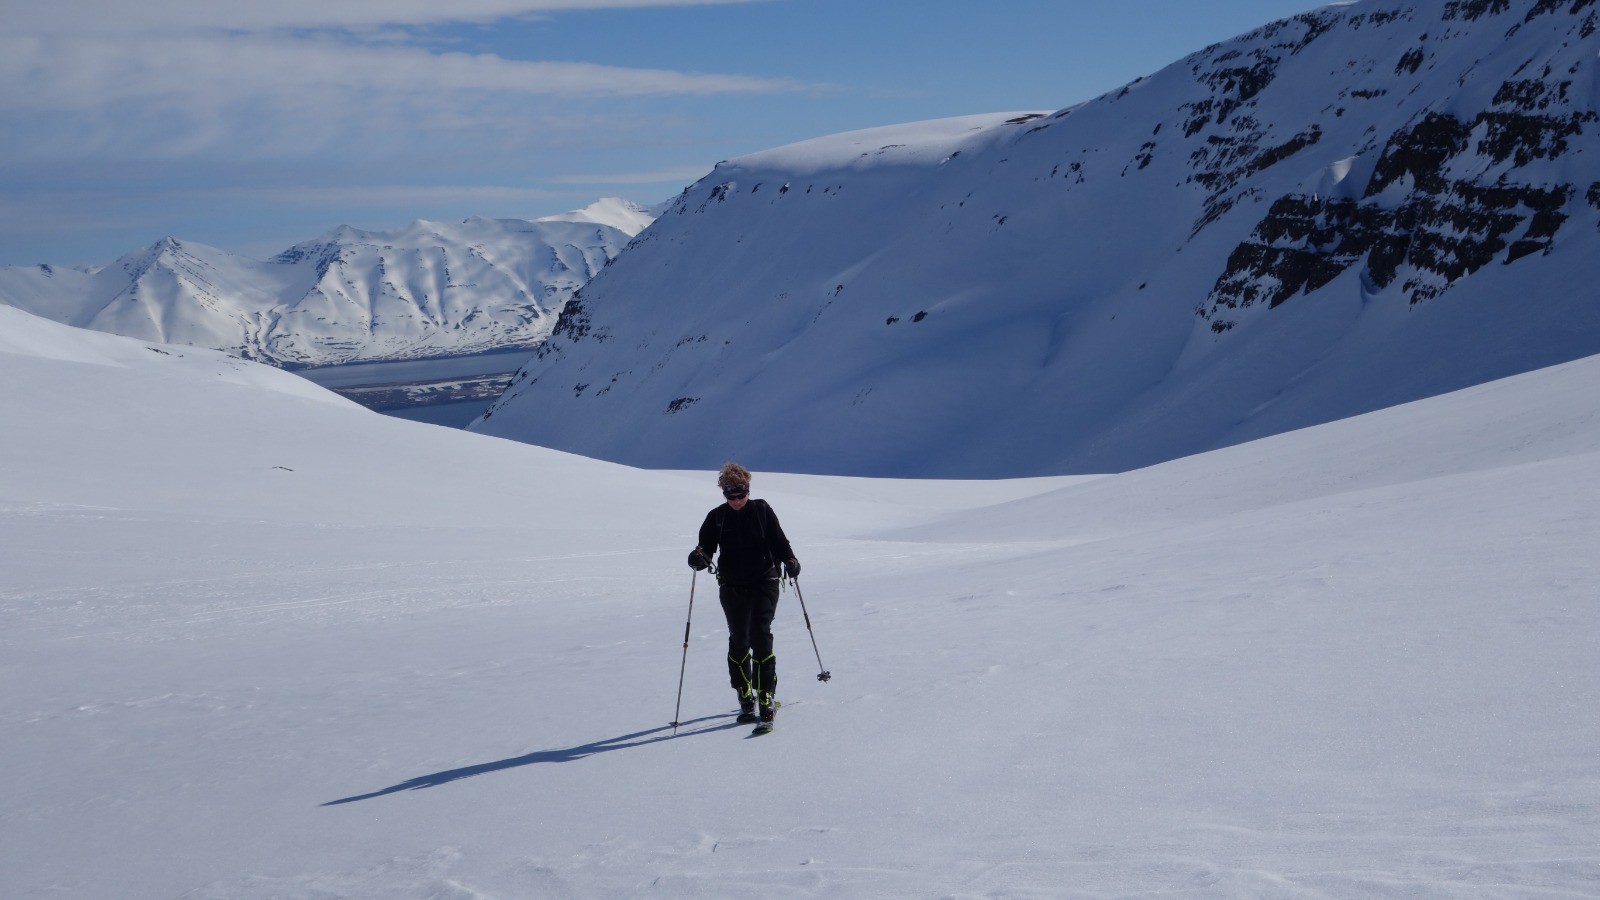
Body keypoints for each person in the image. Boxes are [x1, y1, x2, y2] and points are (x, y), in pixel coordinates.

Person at [687, 462, 800, 730]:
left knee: (760, 634)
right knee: (740, 639)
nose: (736, 500)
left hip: (765, 581)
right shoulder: (717, 517)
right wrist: (698, 558)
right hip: (732, 586)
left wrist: (791, 560)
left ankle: (766, 695)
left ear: (748, 489)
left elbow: (779, 541)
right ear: (724, 493)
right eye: (730, 496)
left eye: (741, 494)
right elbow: (706, 548)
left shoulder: (761, 510)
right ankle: (744, 693)